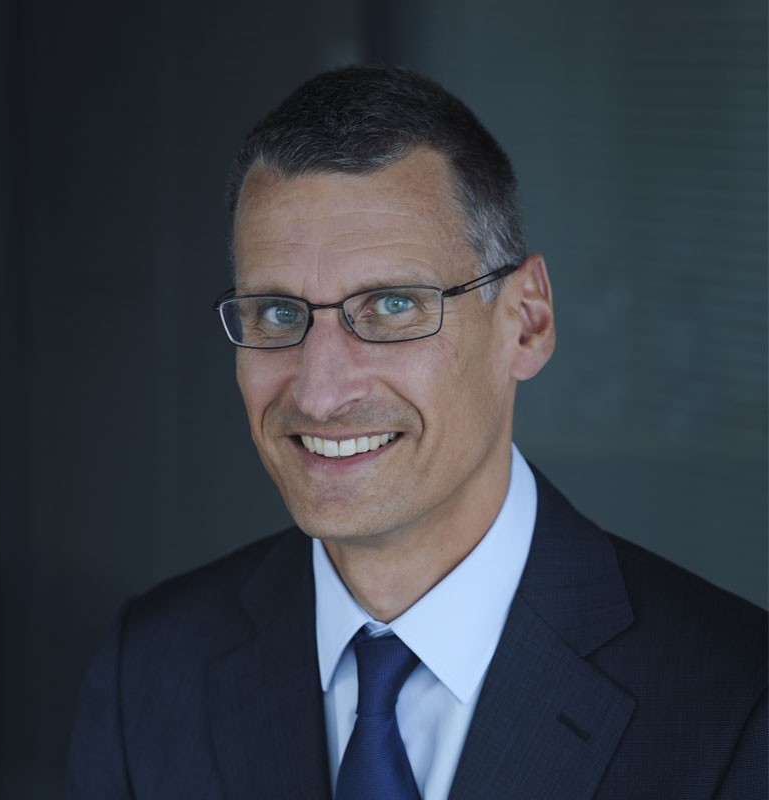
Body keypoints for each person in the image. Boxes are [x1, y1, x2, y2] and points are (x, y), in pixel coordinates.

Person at [67, 65, 767, 799]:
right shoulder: (150, 672)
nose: (319, 394)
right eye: (276, 313)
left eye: (393, 305)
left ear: (526, 322)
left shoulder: (739, 707)